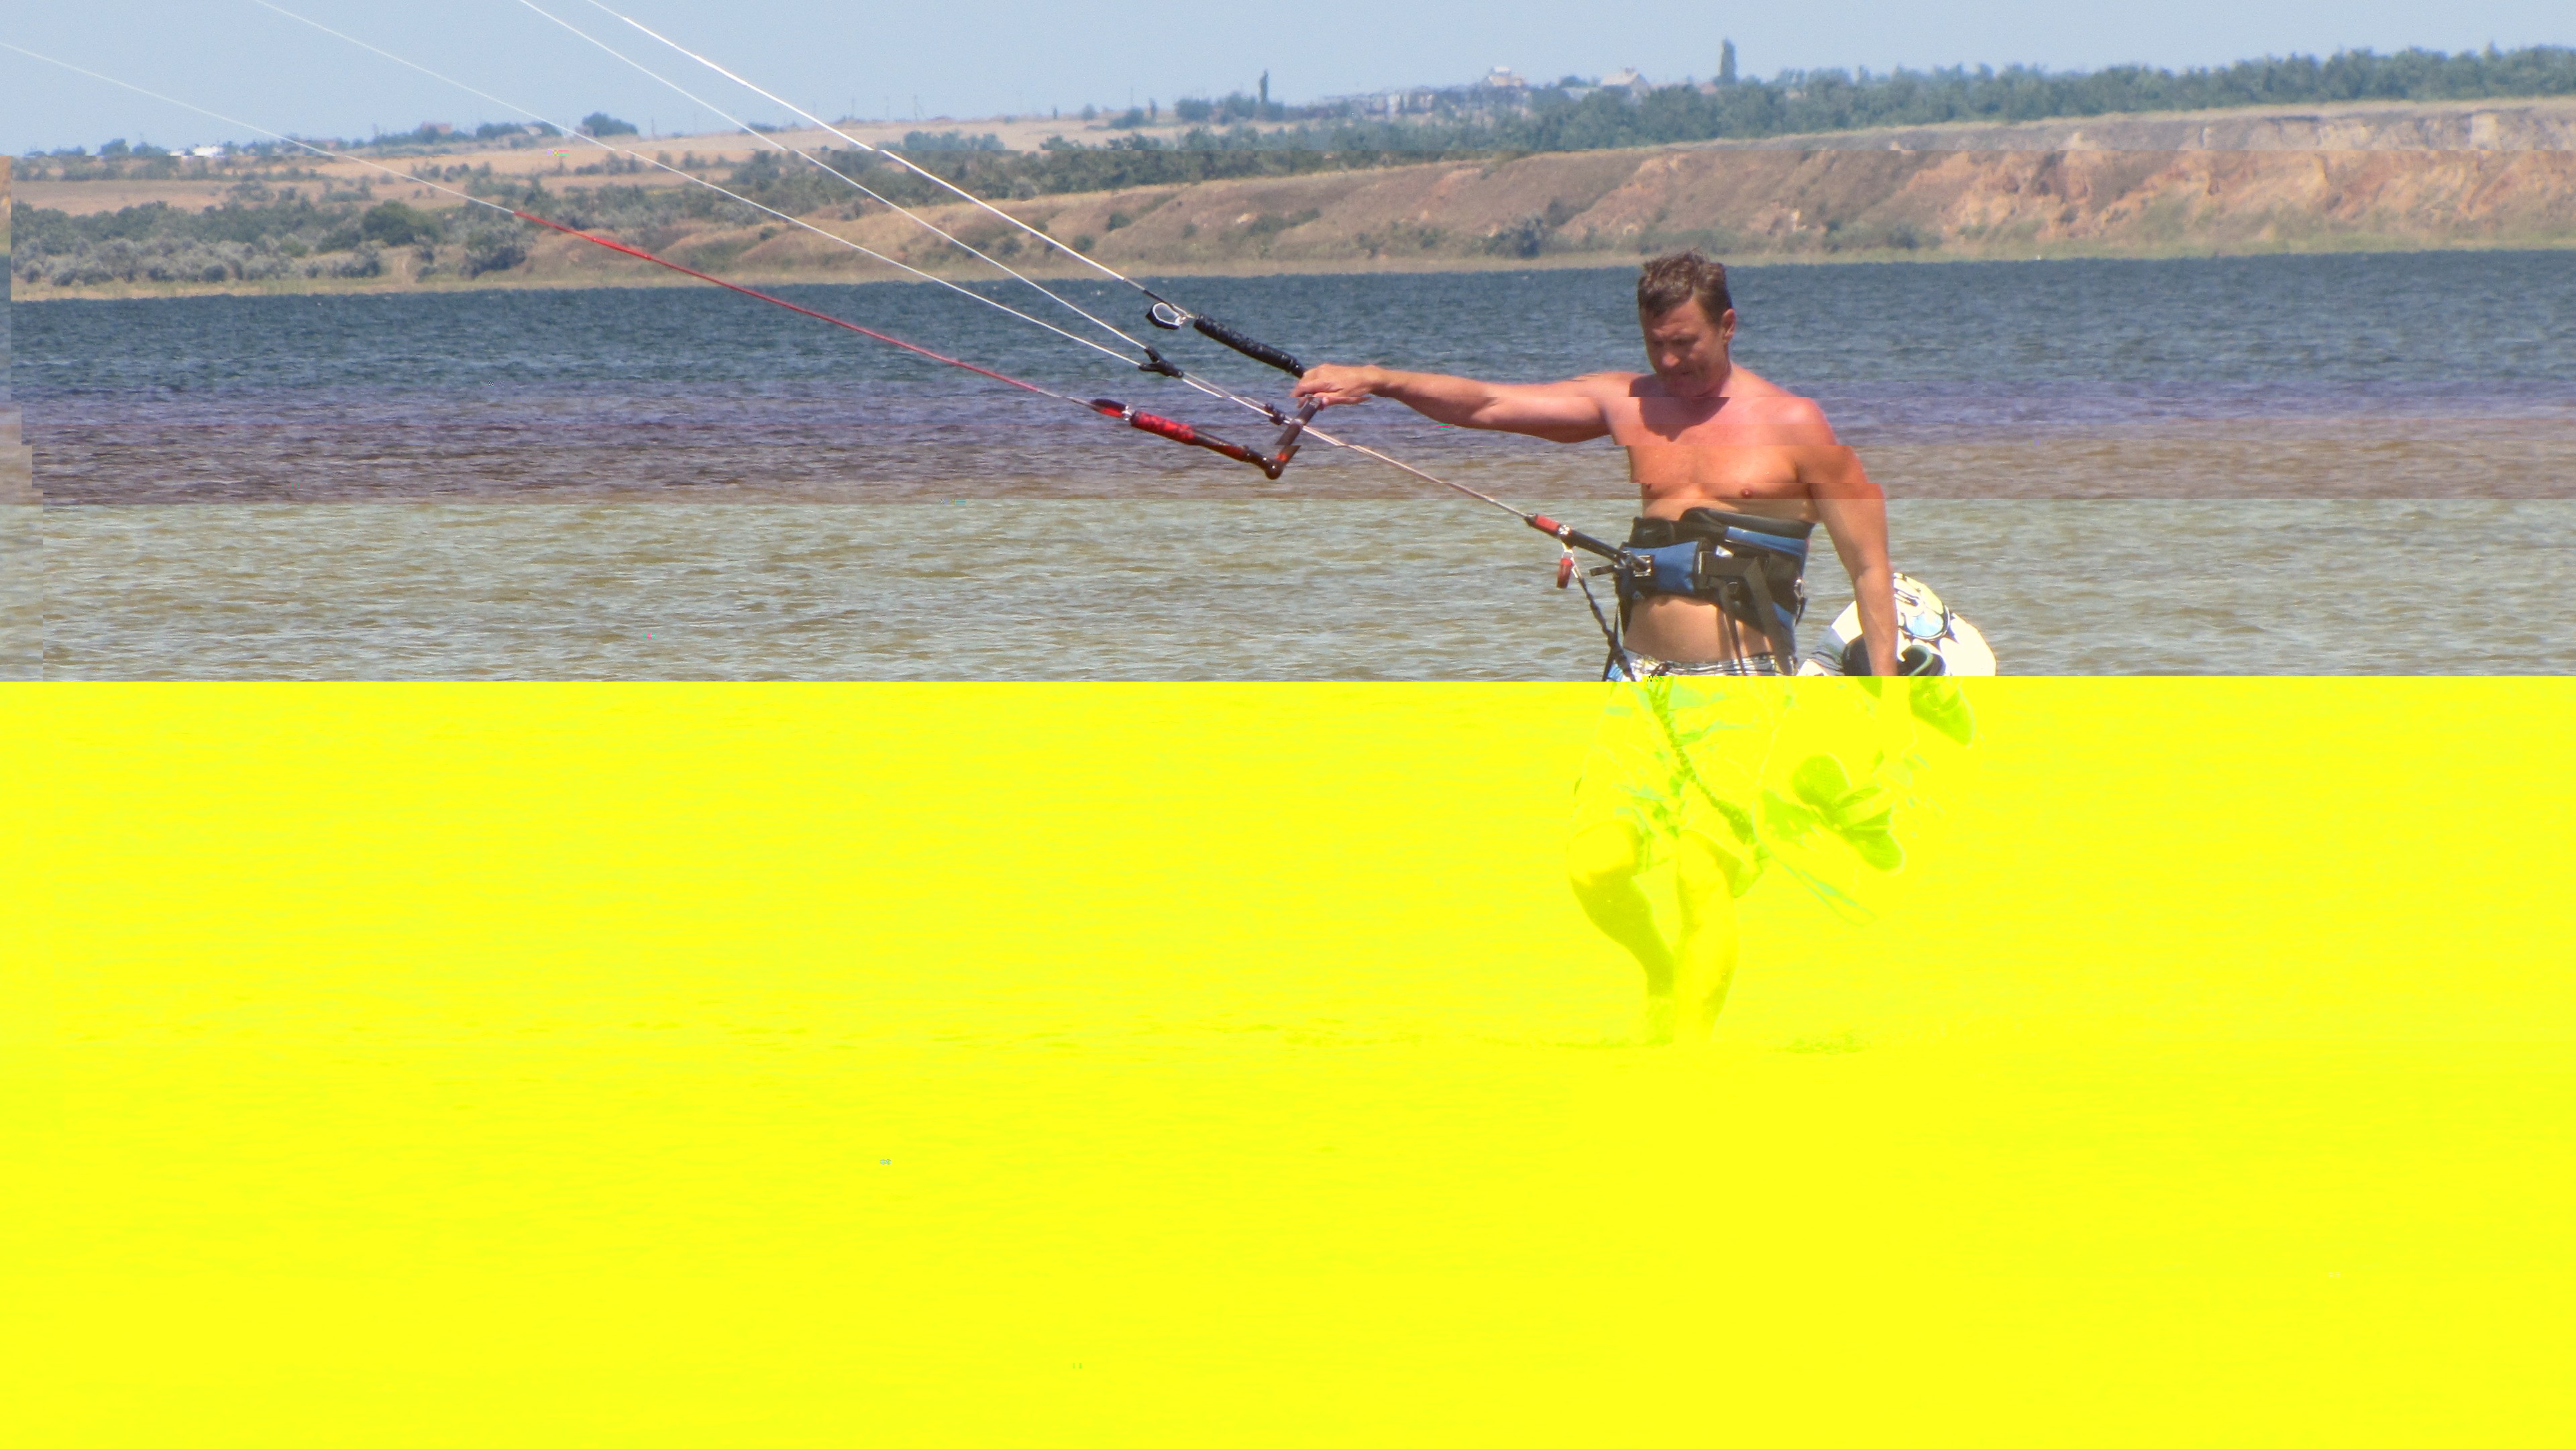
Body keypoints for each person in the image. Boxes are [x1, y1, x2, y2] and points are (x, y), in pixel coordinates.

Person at [1293, 252, 1916, 1043]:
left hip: (1747, 688)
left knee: (1703, 874)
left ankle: (1682, 1063)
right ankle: (1660, 970)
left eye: (1687, 343)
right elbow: (1488, 403)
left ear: (1728, 326)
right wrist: (1378, 380)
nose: (1671, 361)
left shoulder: (1796, 426)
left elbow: (1871, 567)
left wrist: (1888, 703)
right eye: (1657, 344)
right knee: (1594, 868)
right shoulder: (1631, 404)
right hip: (1643, 685)